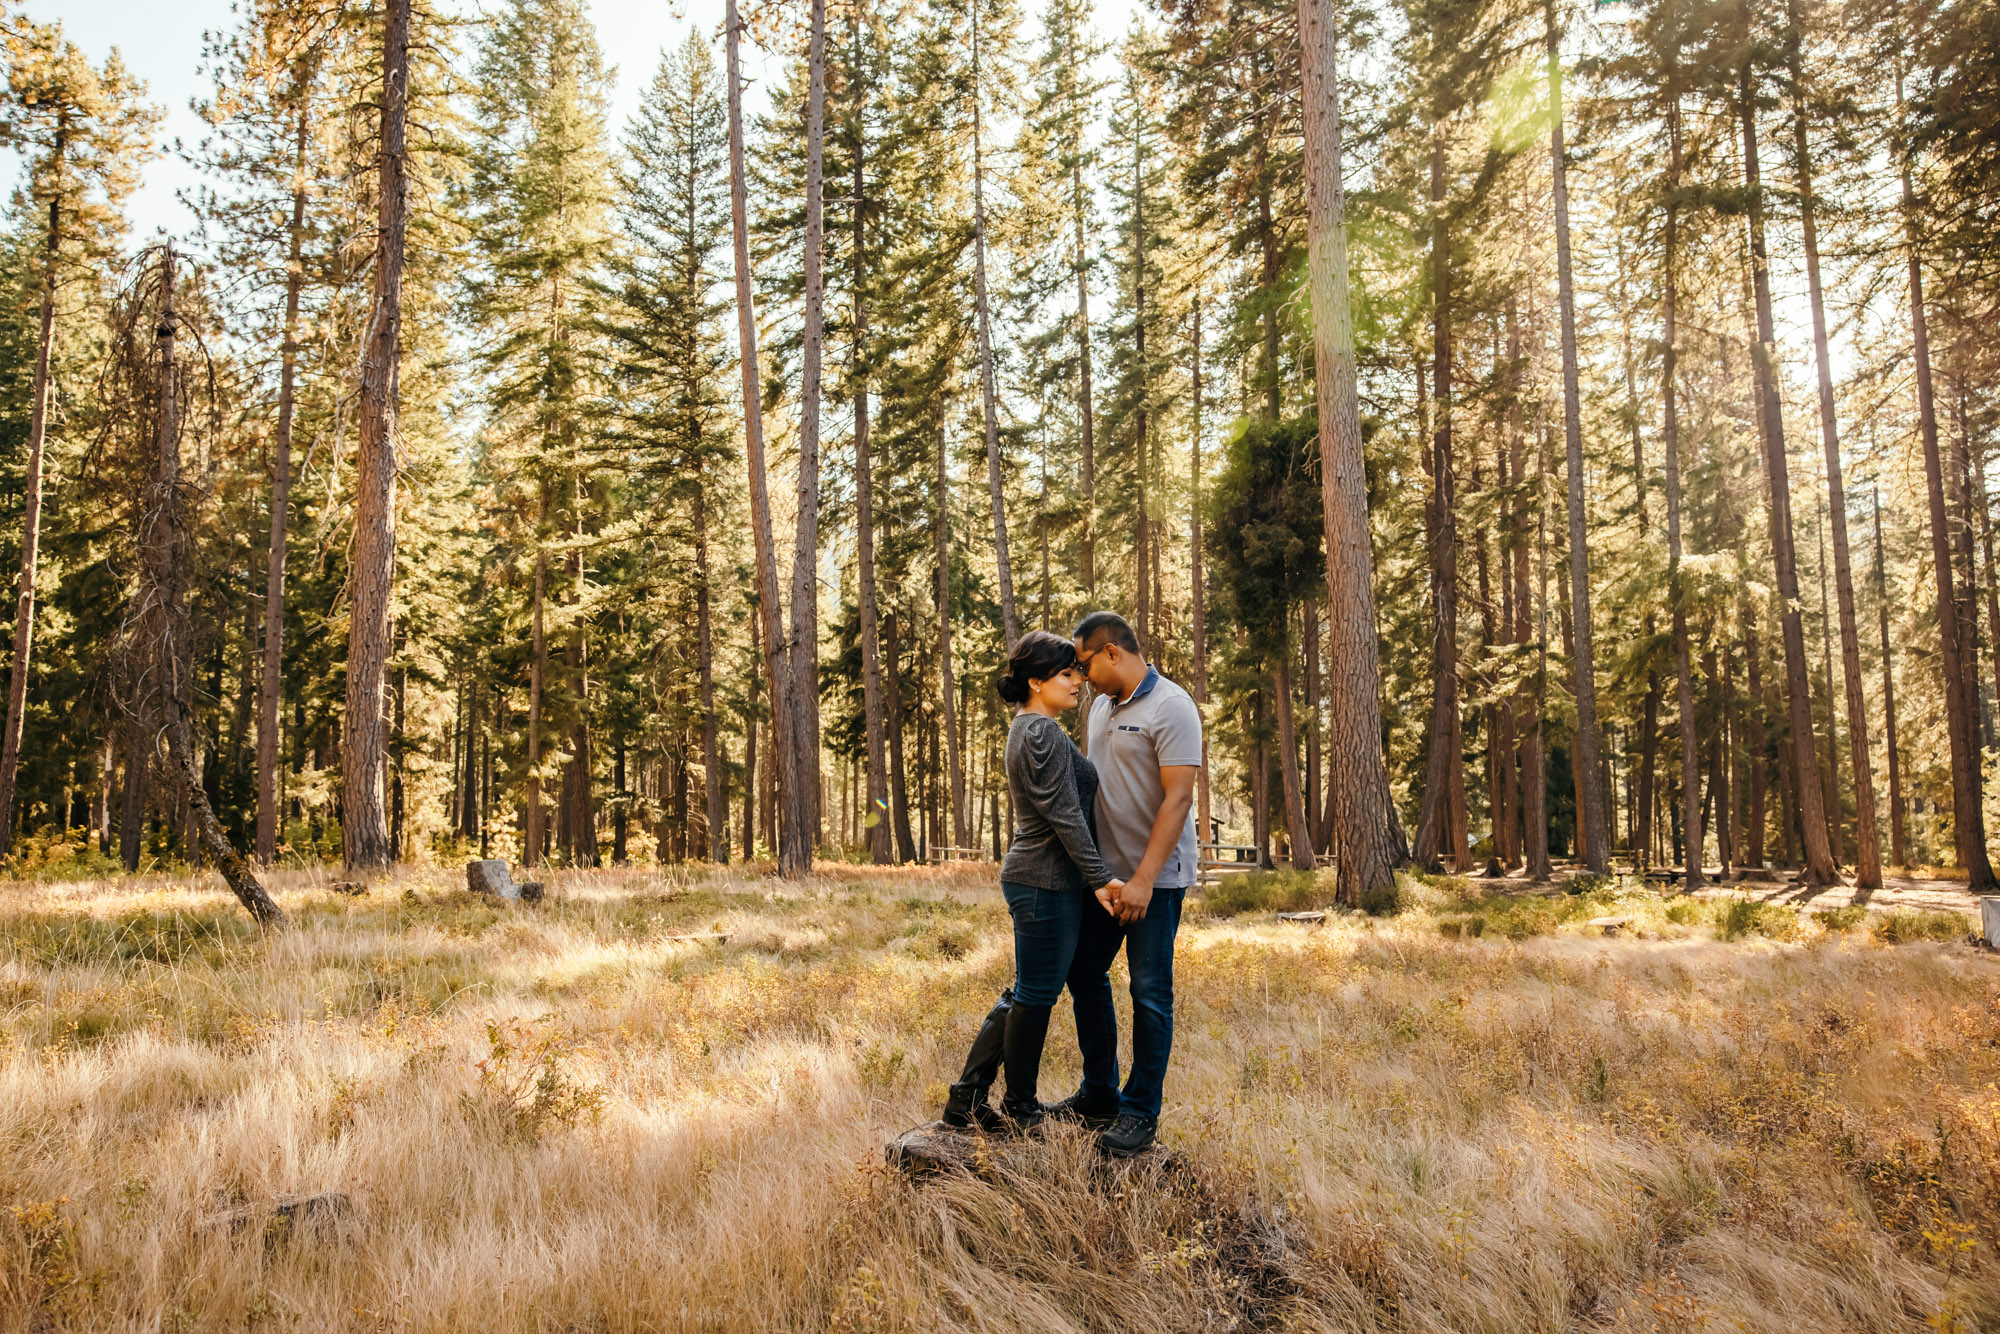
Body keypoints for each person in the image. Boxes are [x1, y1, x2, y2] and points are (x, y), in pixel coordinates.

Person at [940, 630, 1122, 1132]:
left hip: (1049, 881)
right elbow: (1064, 815)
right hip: (1041, 880)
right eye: (1068, 674)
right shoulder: (1038, 733)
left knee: (1030, 991)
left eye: (1079, 672)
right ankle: (1020, 1108)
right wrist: (1102, 879)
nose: (1078, 683)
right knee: (1036, 996)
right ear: (1037, 682)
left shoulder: (1040, 728)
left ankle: (967, 1099)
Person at [1047, 610, 1201, 1158]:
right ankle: (1099, 1094)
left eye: (1084, 664)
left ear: (1112, 652)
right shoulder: (1098, 709)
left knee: (1150, 994)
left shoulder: (1172, 707)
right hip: (1106, 881)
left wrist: (1142, 880)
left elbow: (1178, 799)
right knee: (1083, 972)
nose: (1081, 677)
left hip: (1153, 884)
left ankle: (1140, 1112)